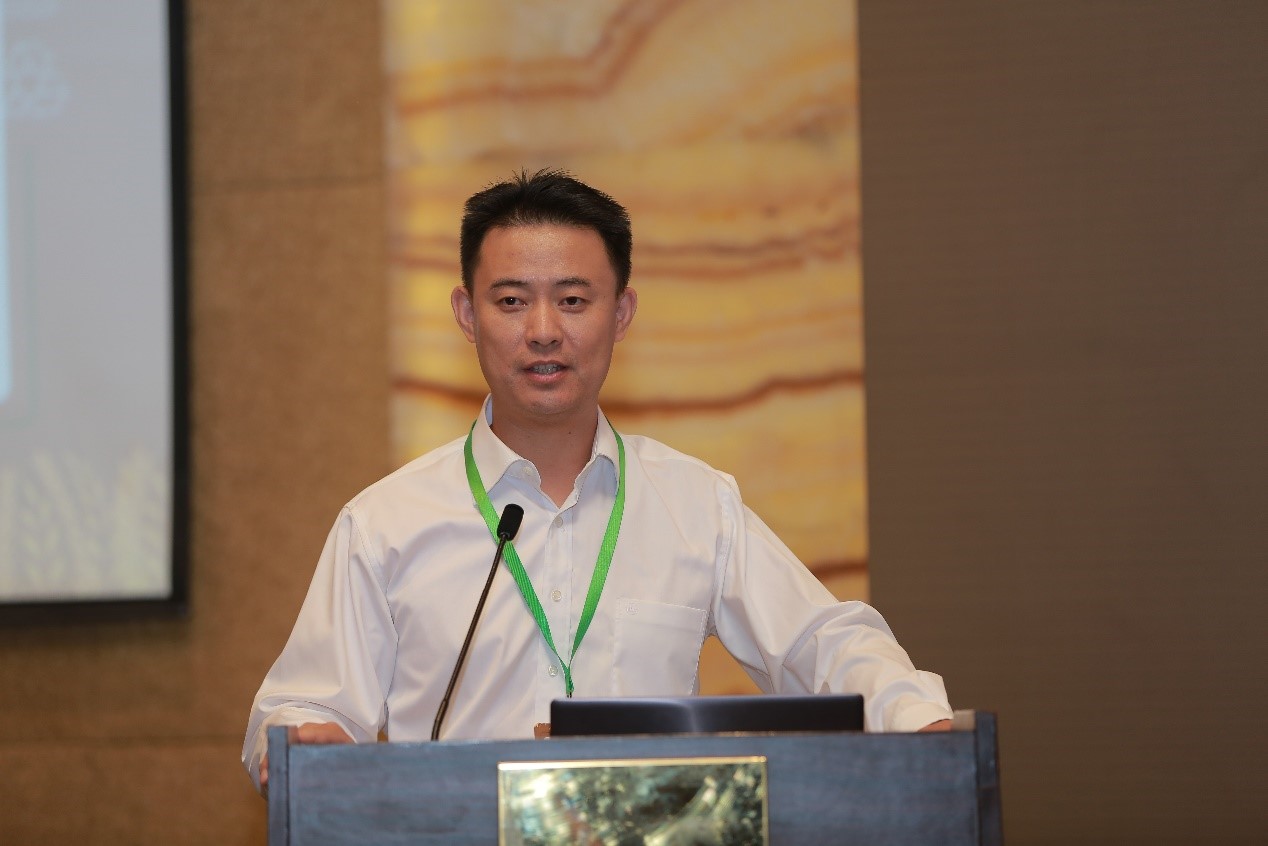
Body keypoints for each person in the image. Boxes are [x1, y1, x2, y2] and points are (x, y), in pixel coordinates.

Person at [242, 169, 951, 792]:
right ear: (466, 314)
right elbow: (305, 708)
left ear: (623, 313)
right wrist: (303, 740)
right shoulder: (385, 523)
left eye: (574, 301)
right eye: (511, 301)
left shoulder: (695, 504)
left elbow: (820, 642)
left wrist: (913, 717)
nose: (543, 331)